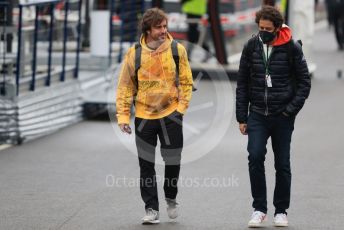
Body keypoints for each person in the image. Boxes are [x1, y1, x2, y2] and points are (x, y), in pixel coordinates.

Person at [116, 8, 193, 224]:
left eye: (165, 26)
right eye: (158, 27)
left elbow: (187, 82)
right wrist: (123, 117)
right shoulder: (134, 53)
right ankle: (151, 208)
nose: (163, 30)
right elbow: (124, 87)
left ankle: (171, 196)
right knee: (146, 164)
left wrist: (181, 108)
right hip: (143, 116)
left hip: (171, 114)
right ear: (148, 30)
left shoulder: (177, 50)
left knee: (173, 160)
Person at [236, 6, 311, 228]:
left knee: (282, 163)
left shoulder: (292, 48)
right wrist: (242, 117)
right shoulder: (251, 46)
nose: (263, 32)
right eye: (260, 28)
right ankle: (259, 209)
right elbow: (242, 83)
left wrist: (290, 110)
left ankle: (281, 210)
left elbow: (304, 83)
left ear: (278, 28)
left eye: (268, 29)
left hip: (282, 115)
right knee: (255, 157)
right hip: (257, 114)